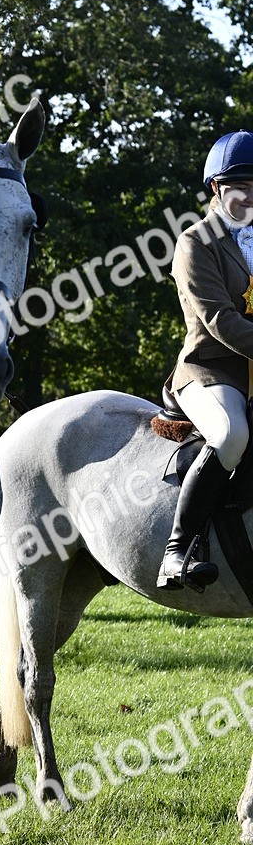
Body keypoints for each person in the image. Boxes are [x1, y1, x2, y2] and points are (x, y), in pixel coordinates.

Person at [157, 129, 253, 590]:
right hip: (212, 370)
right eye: (243, 187)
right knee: (231, 433)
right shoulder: (196, 243)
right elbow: (221, 320)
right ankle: (178, 549)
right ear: (217, 188)